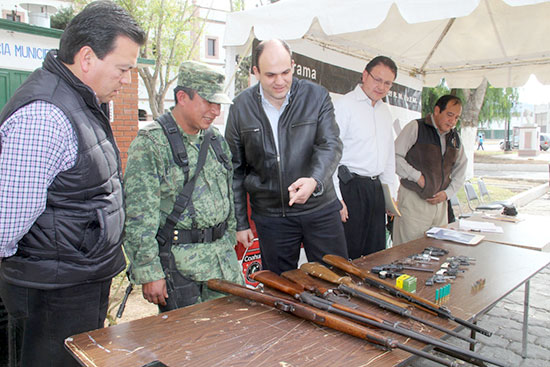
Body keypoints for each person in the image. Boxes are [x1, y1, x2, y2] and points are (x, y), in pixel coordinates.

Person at [0, 2, 145, 366]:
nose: (127, 80)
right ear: (86, 58)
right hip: (50, 294)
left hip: (72, 282)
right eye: (123, 68)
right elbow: (5, 225)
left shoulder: (81, 100)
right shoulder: (45, 115)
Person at [123, 61, 245, 311]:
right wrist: (149, 271)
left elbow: (228, 196)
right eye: (208, 102)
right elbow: (138, 215)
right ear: (182, 97)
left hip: (223, 265)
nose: (215, 111)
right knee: (187, 346)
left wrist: (229, 241)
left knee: (230, 340)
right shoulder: (151, 144)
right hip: (181, 269)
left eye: (218, 104)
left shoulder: (216, 140)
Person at [225, 39, 348, 275]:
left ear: (293, 65)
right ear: (256, 72)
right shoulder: (240, 107)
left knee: (335, 281)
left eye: (286, 72)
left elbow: (330, 145)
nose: (280, 81)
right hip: (271, 216)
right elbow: (235, 170)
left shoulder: (316, 96)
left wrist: (314, 181)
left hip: (320, 209)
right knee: (281, 289)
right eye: (271, 75)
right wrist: (240, 223)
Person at [333, 56, 398, 259]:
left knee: (375, 254)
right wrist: (336, 199)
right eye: (377, 79)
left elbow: (388, 158)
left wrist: (390, 196)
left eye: (387, 83)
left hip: (375, 190)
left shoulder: (385, 112)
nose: (381, 87)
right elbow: (330, 156)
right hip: (349, 189)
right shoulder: (344, 106)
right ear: (364, 75)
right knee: (347, 255)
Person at [393, 95, 467, 245]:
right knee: (408, 251)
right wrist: (417, 177)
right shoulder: (416, 127)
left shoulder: (455, 138)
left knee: (437, 250)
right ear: (437, 110)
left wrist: (448, 193)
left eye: (457, 117)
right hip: (414, 201)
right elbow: (394, 157)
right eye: (449, 115)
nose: (452, 121)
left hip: (440, 205)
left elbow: (461, 170)